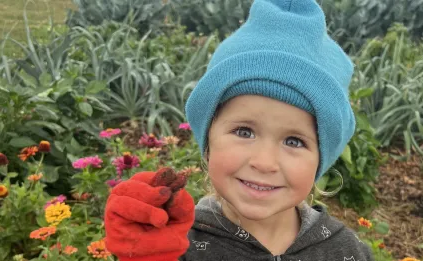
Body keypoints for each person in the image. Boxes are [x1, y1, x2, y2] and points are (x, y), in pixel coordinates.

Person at [104, 0, 374, 260]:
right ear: (208, 139)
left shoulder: (348, 252)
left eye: (294, 141)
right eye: (244, 132)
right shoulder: (176, 245)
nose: (264, 162)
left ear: (320, 159)